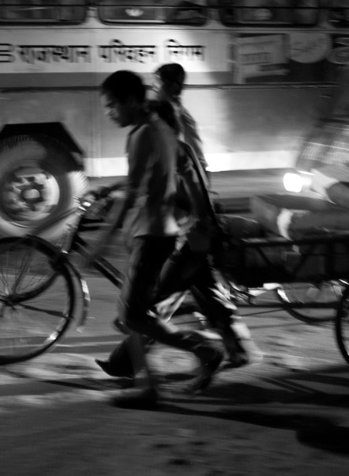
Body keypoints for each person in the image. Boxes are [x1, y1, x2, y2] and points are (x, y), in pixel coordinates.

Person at [95, 64, 258, 380]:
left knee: (146, 307)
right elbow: (146, 178)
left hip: (184, 233)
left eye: (112, 105)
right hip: (183, 231)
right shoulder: (163, 126)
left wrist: (199, 222)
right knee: (192, 296)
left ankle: (147, 365)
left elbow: (191, 178)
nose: (109, 112)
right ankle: (230, 348)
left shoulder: (170, 128)